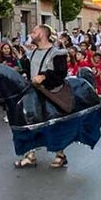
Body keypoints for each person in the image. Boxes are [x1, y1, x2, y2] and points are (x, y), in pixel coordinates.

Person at [16, 25, 70, 169]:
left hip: (51, 91)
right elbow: (25, 70)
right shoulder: (31, 53)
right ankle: (30, 155)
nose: (31, 34)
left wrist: (44, 76)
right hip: (33, 91)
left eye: (33, 32)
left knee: (52, 123)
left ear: (41, 33)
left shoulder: (57, 54)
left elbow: (61, 74)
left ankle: (60, 154)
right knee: (28, 123)